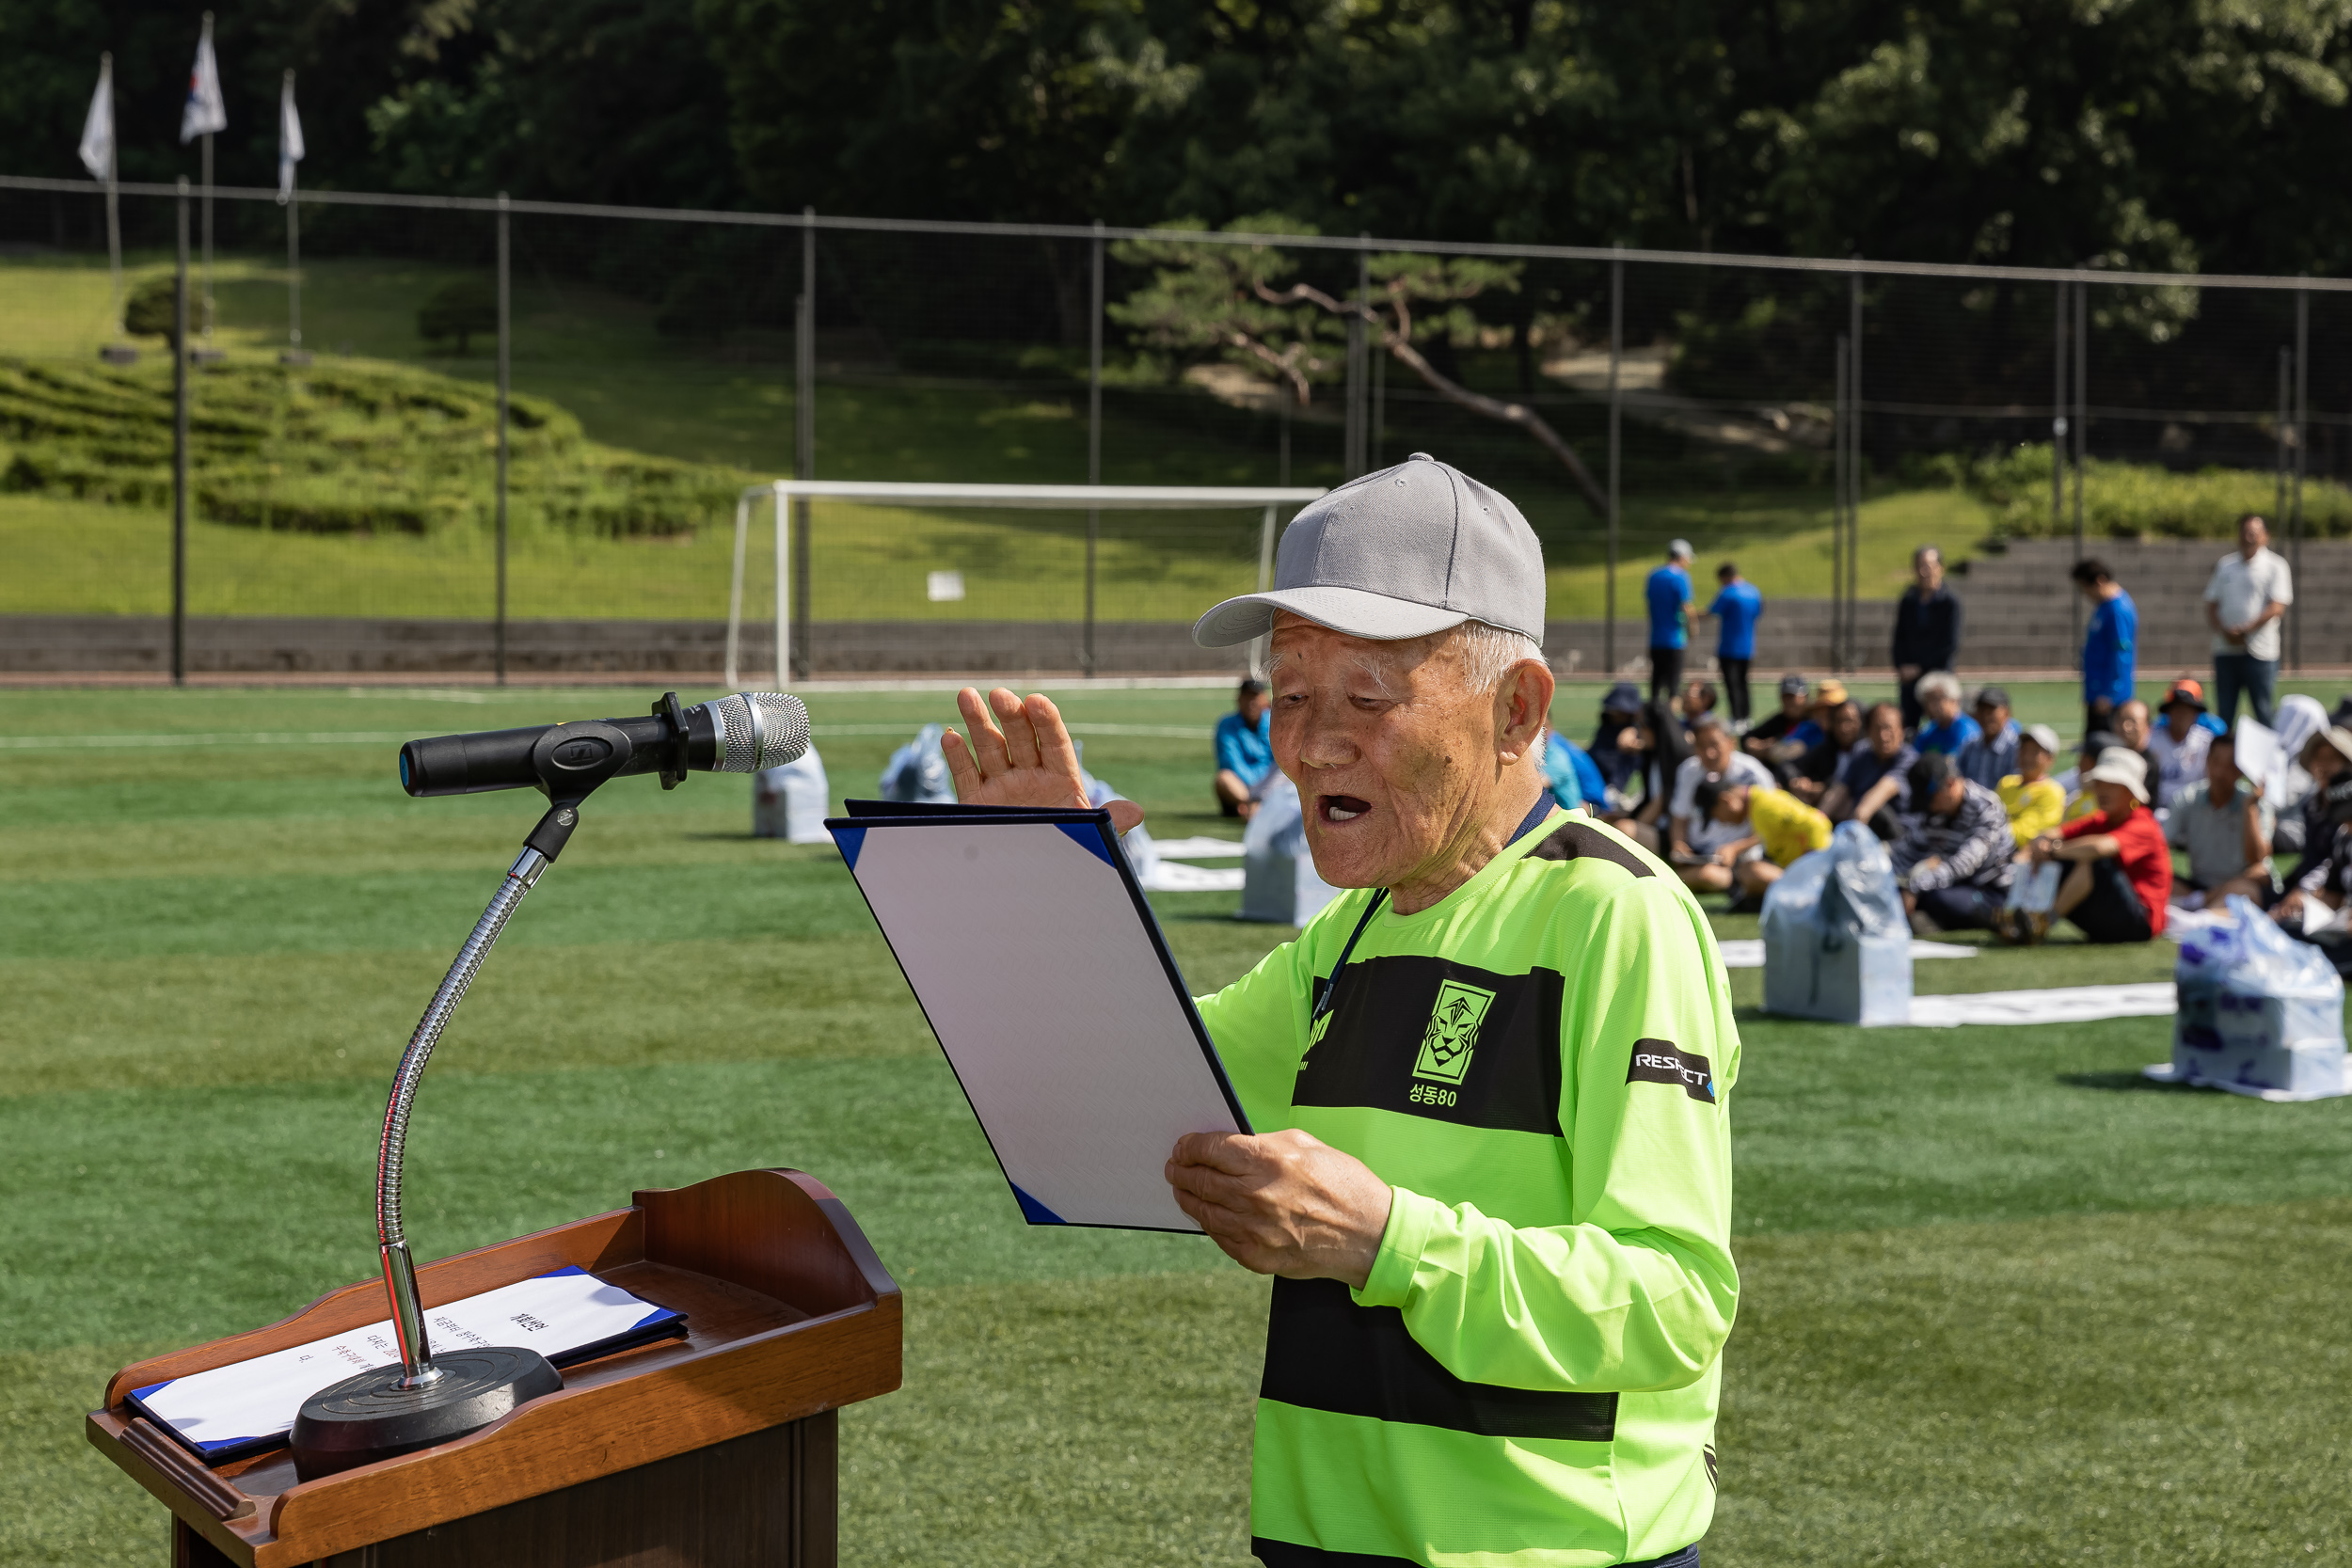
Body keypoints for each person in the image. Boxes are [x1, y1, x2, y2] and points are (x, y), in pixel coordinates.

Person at [938, 451, 1738, 1568]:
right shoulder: (1349, 935)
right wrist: (1059, 899)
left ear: (1516, 709)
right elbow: (1119, 1113)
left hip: (1543, 1551)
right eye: (1292, 693)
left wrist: (1385, 1240)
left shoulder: (1615, 917)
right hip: (1322, 1543)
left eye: (1368, 695)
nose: (1312, 742)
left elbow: (1675, 1300)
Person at [2003, 749, 2170, 944]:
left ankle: (2041, 923)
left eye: (2112, 785)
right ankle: (2019, 916)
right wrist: (2042, 846)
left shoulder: (2144, 824)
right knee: (2071, 857)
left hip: (2141, 922)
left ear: (2130, 791)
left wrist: (2052, 850)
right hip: (2113, 914)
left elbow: (2100, 848)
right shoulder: (2101, 820)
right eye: (2099, 783)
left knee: (2093, 861)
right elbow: (2050, 834)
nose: (2102, 791)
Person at [1888, 752, 2018, 933]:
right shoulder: (1934, 811)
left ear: (1949, 784)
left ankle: (1935, 921)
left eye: (1930, 799)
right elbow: (1909, 849)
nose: (1929, 807)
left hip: (1990, 891)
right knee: (1896, 891)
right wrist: (1885, 876)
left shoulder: (1986, 807)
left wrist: (1913, 888)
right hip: (1950, 883)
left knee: (1940, 899)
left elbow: (1964, 864)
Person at [2165, 731, 2275, 911]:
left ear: (2241, 770)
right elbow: (2162, 844)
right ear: (2207, 761)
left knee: (2248, 885)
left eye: (2230, 765)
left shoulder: (2256, 804)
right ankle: (2201, 909)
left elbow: (2258, 859)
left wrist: (2250, 809)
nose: (2219, 772)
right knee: (2161, 881)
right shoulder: (2187, 798)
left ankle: (2198, 911)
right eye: (2215, 762)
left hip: (2241, 884)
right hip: (2198, 885)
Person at [1667, 714, 1776, 893]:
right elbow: (1679, 817)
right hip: (1699, 852)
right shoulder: (1688, 770)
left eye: (1714, 744)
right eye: (1702, 746)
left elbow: (1771, 828)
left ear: (1730, 743)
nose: (1709, 753)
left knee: (1711, 875)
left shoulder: (1754, 774)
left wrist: (1735, 848)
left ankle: (1672, 883)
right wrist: (1678, 845)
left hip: (1743, 858)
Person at [2205, 512, 2294, 728]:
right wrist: (2225, 632)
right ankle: (2223, 760)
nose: (2248, 537)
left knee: (2263, 712)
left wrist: (2245, 631)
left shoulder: (2276, 565)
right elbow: (2211, 604)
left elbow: (2277, 606)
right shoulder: (2226, 565)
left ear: (2266, 536)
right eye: (2245, 532)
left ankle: (2266, 760)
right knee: (2224, 715)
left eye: (2254, 532)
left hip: (2260, 652)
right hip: (2226, 650)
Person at [1689, 775, 1832, 903]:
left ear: (1726, 800)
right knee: (1747, 870)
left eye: (1716, 815)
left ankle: (1810, 894)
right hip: (1800, 872)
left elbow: (1817, 823)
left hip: (1817, 878)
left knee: (1751, 871)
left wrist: (1813, 870)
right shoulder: (1757, 805)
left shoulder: (1766, 806)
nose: (1721, 821)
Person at [1891, 545, 1963, 729]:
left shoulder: (1950, 603)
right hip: (1909, 678)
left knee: (1941, 726)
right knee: (1907, 728)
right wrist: (1901, 666)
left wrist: (1920, 668)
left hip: (1938, 677)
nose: (1924, 571)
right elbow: (1899, 637)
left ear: (1940, 568)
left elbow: (1949, 644)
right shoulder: (1908, 601)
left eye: (1929, 566)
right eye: (1920, 566)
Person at [1823, 702, 1916, 826]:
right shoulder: (1861, 752)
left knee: (1880, 813)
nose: (1883, 736)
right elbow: (1840, 789)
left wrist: (1854, 826)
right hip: (1859, 823)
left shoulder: (1908, 758)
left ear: (1901, 731)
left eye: (1888, 728)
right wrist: (1818, 818)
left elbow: (1881, 792)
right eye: (1877, 728)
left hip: (1894, 831)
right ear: (1868, 731)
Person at [2074, 558, 2137, 736]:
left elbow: (2121, 653)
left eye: (2085, 587)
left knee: (2106, 748)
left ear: (2099, 580)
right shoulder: (2103, 607)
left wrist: (2110, 694)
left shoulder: (2118, 609)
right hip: (2096, 692)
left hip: (2108, 699)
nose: (2085, 593)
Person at [2146, 678, 2221, 810]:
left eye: (2187, 711)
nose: (2182, 715)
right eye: (2177, 710)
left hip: (2193, 810)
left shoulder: (2206, 743)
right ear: (2168, 713)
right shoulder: (2151, 740)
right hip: (2157, 808)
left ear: (2195, 715)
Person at [1707, 562, 1763, 726]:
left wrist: (1693, 614)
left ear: (1724, 577)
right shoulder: (1754, 591)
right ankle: (1746, 717)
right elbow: (1758, 613)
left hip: (1729, 647)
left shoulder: (1727, 593)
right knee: (1744, 683)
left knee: (1732, 684)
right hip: (1747, 647)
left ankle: (1736, 718)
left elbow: (1712, 612)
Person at [1214, 677, 1276, 818]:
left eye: (1255, 697)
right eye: (1247, 697)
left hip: (1270, 785)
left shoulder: (1274, 722)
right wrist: (1256, 791)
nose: (1251, 703)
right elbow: (1231, 763)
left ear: (1264, 699)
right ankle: (1253, 805)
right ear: (1239, 700)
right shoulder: (1227, 725)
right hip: (1242, 788)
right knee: (1224, 779)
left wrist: (1265, 787)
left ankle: (1254, 807)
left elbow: (1279, 763)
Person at [1787, 684, 1857, 807]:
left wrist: (1823, 787)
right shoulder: (1820, 739)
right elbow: (1789, 762)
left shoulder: (1864, 749)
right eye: (1822, 710)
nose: (1843, 727)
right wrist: (1797, 781)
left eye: (1832, 711)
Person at [1645, 540, 1696, 705]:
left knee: (1656, 683)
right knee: (1674, 687)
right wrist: (1692, 628)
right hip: (1675, 639)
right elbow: (1686, 607)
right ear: (1682, 557)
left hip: (1656, 638)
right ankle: (1673, 725)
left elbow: (1650, 605)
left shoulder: (1653, 575)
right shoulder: (1681, 577)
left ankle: (1653, 723)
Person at [1998, 724, 2067, 847]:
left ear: (2050, 759)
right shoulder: (2006, 782)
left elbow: (2025, 834)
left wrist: (1986, 831)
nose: (2027, 756)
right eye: (2023, 750)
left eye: (2035, 752)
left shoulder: (2052, 792)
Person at [1589, 682, 1648, 810]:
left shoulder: (1638, 731)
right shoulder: (1606, 728)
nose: (1615, 714)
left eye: (1619, 711)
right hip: (1593, 770)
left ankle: (1613, 789)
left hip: (1613, 780)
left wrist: (1635, 739)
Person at [1954, 685, 2019, 790]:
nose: (1985, 716)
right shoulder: (1970, 746)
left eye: (1991, 710)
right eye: (1981, 710)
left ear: (2007, 713)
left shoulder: (2015, 748)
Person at [1910, 671, 1981, 756]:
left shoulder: (1967, 731)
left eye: (1936, 700)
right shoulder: (1927, 731)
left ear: (1954, 700)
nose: (1930, 707)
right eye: (1926, 702)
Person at [1542, 728, 1607, 814]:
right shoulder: (1554, 745)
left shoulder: (1558, 757)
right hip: (1580, 804)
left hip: (1589, 804)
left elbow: (1537, 785)